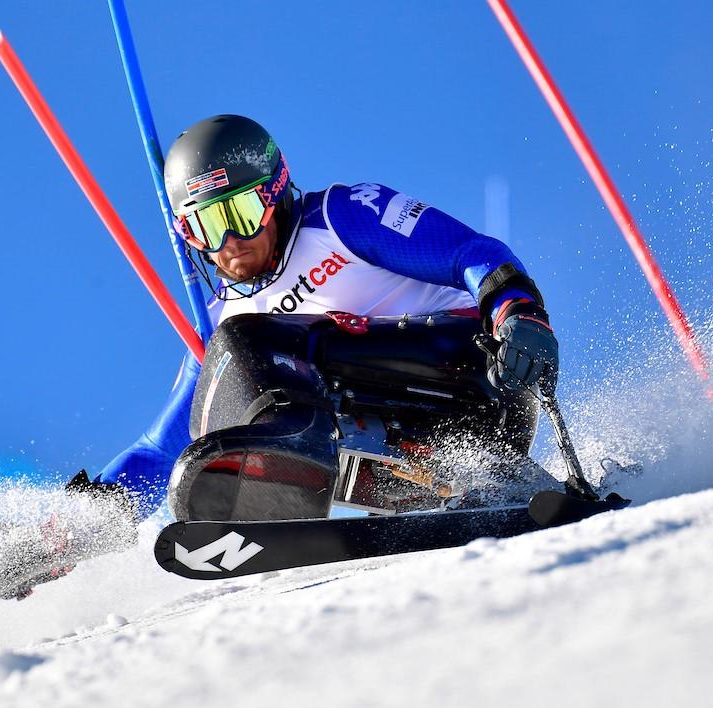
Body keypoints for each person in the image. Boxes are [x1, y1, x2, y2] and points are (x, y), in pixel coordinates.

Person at [76, 114, 559, 521]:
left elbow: (469, 253)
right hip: (396, 432)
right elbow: (161, 450)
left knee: (241, 341)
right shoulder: (217, 321)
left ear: (275, 193)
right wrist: (91, 517)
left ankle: (291, 458)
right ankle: (398, 484)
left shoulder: (339, 218)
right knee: (220, 380)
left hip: (476, 379)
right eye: (208, 226)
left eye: (241, 213)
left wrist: (516, 310)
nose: (230, 242)